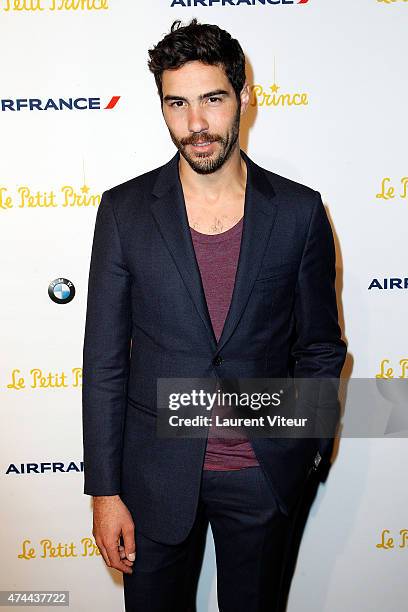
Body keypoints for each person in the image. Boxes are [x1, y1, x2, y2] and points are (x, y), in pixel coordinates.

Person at [82, 18, 347, 612]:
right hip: (152, 480)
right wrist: (104, 491)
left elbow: (322, 347)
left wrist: (305, 447)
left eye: (212, 99)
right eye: (177, 103)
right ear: (163, 108)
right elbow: (103, 362)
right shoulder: (123, 212)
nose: (196, 124)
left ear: (243, 98)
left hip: (263, 477)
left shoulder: (299, 212)